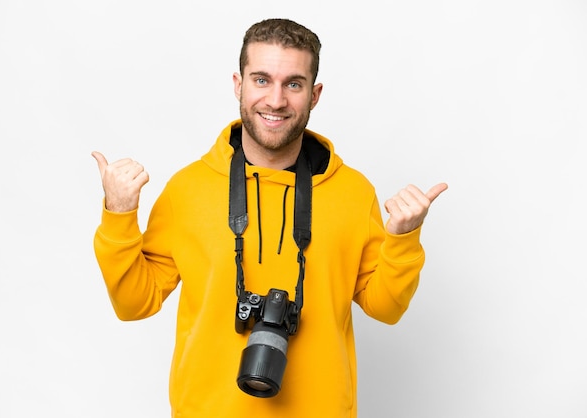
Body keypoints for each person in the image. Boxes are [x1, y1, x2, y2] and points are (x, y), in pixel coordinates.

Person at [92, 18, 447, 418]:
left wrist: (404, 237)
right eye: (261, 79)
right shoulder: (187, 189)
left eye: (293, 84)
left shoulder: (353, 192)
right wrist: (118, 215)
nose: (276, 100)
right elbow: (132, 303)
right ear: (237, 84)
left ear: (314, 95)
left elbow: (386, 308)